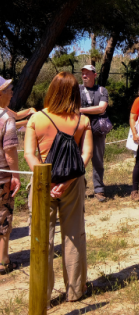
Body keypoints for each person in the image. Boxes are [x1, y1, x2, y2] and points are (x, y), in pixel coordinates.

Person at [24, 72, 93, 302]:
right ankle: (75, 290)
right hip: (72, 183)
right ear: (75, 93)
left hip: (43, 182)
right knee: (73, 235)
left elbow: (28, 154)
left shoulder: (36, 119)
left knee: (42, 237)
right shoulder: (82, 120)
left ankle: (41, 294)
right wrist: (67, 182)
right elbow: (87, 154)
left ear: (52, 90)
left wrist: (46, 180)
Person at [79, 65, 109, 202]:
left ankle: (99, 190)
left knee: (98, 160)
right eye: (83, 73)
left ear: (94, 75)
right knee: (78, 159)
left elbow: (102, 108)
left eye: (87, 73)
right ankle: (79, 188)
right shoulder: (76, 90)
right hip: (79, 130)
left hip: (97, 130)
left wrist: (80, 110)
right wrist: (94, 110)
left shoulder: (102, 90)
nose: (84, 75)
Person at [0, 77, 20, 275]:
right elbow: (10, 152)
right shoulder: (6, 118)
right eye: (9, 89)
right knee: (4, 217)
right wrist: (16, 176)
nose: (12, 92)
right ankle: (3, 260)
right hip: (2, 178)